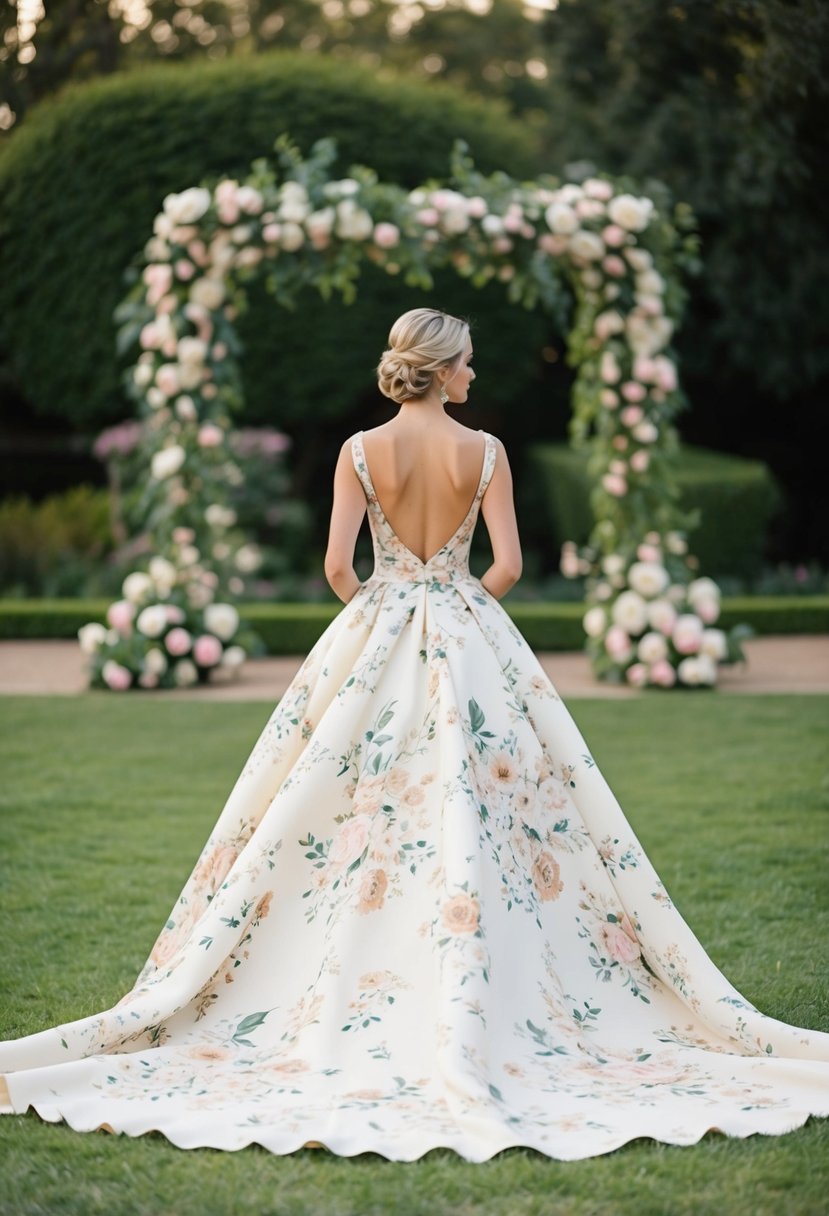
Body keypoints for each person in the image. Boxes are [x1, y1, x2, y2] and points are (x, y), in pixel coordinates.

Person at [1, 307, 827, 1162]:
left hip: (380, 628)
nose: (475, 373)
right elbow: (503, 564)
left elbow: (334, 566)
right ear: (441, 369)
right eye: (468, 361)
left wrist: (385, 616)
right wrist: (458, 605)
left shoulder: (359, 450)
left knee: (339, 800)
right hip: (468, 635)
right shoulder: (488, 453)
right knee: (497, 802)